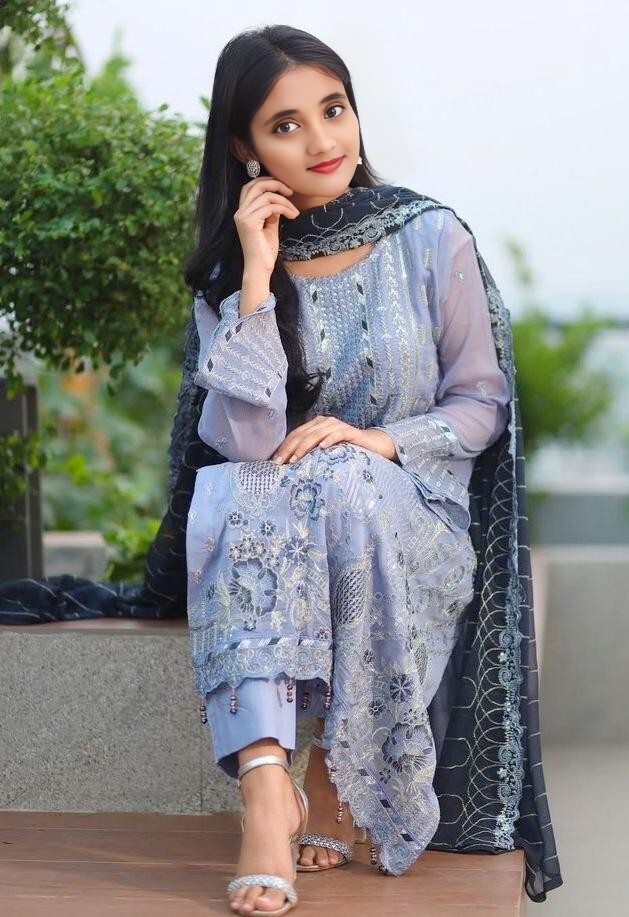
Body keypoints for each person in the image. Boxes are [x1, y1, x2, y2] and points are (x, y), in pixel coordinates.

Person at [181, 23, 562, 917]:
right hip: (287, 517)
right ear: (244, 149)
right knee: (241, 484)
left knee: (338, 478)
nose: (322, 141)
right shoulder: (230, 276)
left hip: (413, 511)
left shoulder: (427, 235)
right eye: (286, 126)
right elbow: (247, 442)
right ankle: (267, 788)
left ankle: (332, 768)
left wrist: (374, 440)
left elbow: (481, 402)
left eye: (333, 109)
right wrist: (256, 280)